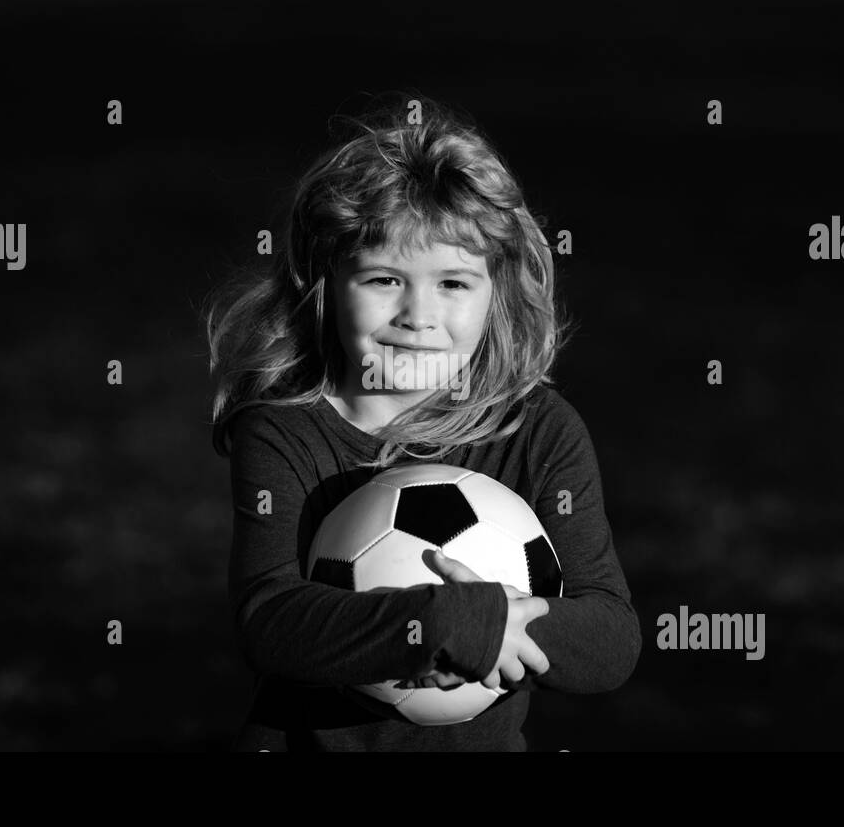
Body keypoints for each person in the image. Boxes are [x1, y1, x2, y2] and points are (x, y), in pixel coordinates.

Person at [204, 95, 640, 750]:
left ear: (499, 295)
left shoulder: (539, 431)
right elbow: (270, 620)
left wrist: (500, 628)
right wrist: (434, 624)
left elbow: (611, 638)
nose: (418, 314)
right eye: (384, 279)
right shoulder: (285, 429)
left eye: (454, 284)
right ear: (323, 281)